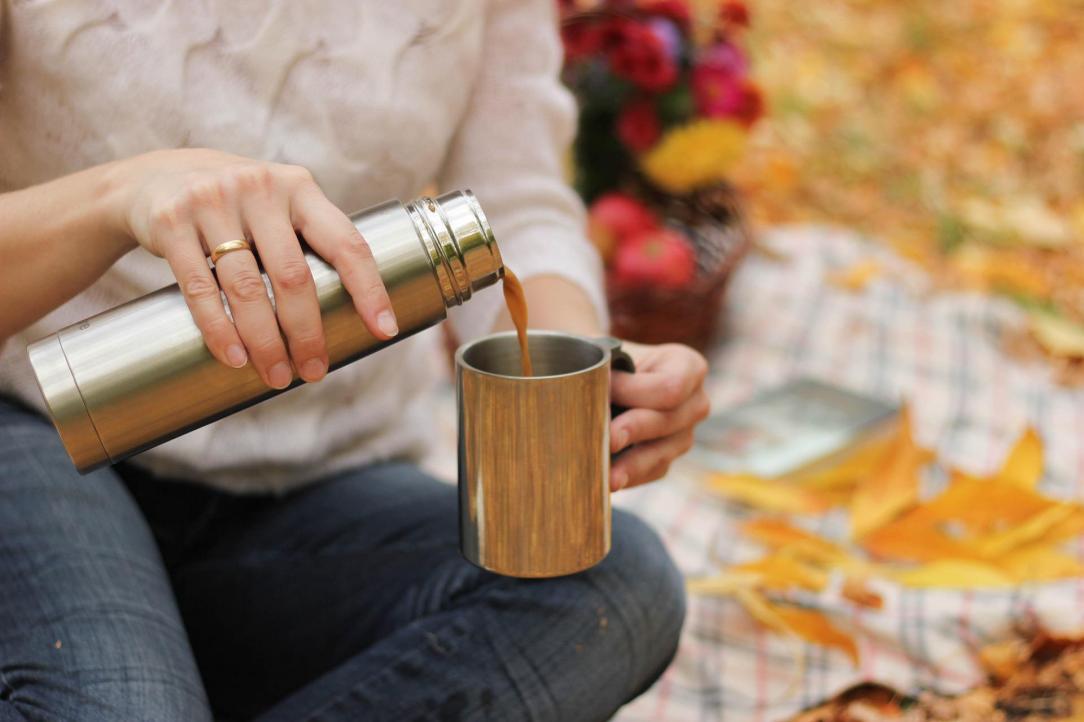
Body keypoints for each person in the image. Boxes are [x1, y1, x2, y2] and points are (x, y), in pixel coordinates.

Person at [0, 1, 710, 720]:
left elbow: (515, 207)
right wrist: (118, 193)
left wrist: (589, 366)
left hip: (323, 489)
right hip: (40, 435)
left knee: (613, 587)